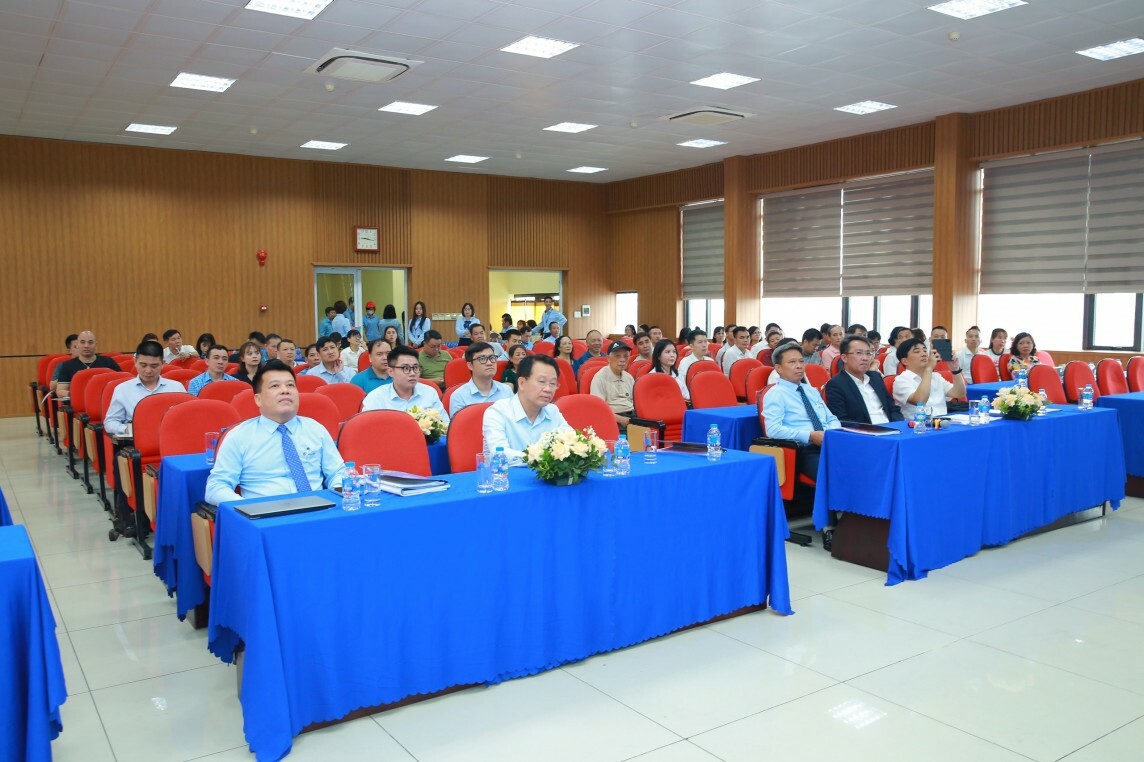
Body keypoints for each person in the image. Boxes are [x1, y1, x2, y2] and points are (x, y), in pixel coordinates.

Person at [204, 360, 346, 505]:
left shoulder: (315, 429)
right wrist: (246, 508)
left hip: (320, 510)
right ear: (258, 399)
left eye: (290, 385)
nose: (285, 390)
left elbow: (337, 472)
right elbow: (216, 488)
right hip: (265, 514)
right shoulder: (239, 436)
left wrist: (338, 495)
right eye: (275, 386)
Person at [762, 342, 841, 482]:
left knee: (863, 464)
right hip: (804, 450)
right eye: (792, 362)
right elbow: (772, 430)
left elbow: (831, 418)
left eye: (801, 361)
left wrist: (830, 434)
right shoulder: (775, 393)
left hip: (829, 443)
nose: (799, 366)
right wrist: (810, 435)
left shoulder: (810, 390)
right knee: (837, 475)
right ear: (778, 368)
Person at [482, 354, 569, 466]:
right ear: (522, 383)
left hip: (545, 476)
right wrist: (544, 457)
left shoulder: (553, 411)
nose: (548, 389)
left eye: (552, 383)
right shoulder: (497, 412)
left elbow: (572, 442)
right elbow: (500, 454)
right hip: (506, 476)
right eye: (541, 381)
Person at [103, 340, 186, 436]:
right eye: (143, 365)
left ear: (162, 364)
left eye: (154, 366)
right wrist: (127, 429)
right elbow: (110, 422)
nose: (148, 371)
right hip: (136, 441)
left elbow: (186, 417)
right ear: (135, 362)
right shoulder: (122, 389)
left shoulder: (176, 387)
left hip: (171, 438)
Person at [824, 335, 902, 424]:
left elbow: (893, 409)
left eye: (868, 353)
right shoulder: (836, 384)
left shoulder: (876, 377)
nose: (865, 358)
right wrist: (873, 430)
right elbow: (841, 420)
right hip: (866, 430)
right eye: (859, 353)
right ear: (844, 358)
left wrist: (898, 426)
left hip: (891, 428)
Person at [362, 345, 449, 421]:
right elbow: (368, 430)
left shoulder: (429, 393)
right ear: (391, 371)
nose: (412, 373)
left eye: (415, 368)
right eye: (406, 368)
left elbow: (444, 425)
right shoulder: (376, 398)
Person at [892, 338, 966, 419]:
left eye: (924, 350)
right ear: (905, 361)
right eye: (917, 351)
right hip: (918, 424)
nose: (923, 354)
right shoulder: (901, 380)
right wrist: (929, 368)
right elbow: (920, 401)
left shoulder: (936, 376)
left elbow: (959, 393)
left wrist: (955, 370)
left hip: (942, 422)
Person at [449, 342, 513, 417]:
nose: (489, 363)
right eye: (482, 359)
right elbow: (459, 424)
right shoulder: (459, 397)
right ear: (470, 365)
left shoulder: (506, 391)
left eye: (492, 358)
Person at [55, 331, 121, 399]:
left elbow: (121, 384)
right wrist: (80, 395)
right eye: (82, 342)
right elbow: (60, 391)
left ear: (95, 345)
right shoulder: (67, 365)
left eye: (90, 342)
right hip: (78, 402)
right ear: (77, 345)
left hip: (105, 400)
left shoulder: (109, 362)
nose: (86, 346)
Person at [590, 341, 636, 426]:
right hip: (612, 419)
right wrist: (621, 420)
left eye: (626, 356)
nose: (622, 360)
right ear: (608, 358)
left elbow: (635, 402)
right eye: (617, 356)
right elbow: (598, 408)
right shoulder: (599, 378)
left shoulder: (629, 377)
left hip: (633, 417)